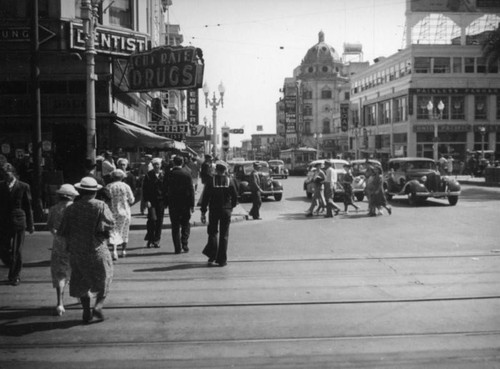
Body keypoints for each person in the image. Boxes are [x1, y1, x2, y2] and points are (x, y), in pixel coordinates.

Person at [58, 177, 114, 323]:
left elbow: (62, 230)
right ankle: (98, 306)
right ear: (95, 192)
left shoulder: (71, 208)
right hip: (97, 248)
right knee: (104, 277)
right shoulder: (101, 206)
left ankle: (86, 310)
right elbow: (110, 224)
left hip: (77, 250)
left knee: (81, 280)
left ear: (80, 191)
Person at [46, 183, 79, 316]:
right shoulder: (76, 208)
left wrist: (58, 236)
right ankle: (80, 297)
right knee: (77, 270)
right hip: (75, 243)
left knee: (60, 273)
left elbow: (50, 226)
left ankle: (60, 303)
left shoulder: (53, 209)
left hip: (59, 243)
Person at [0, 163, 34, 286]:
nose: (5, 177)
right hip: (3, 222)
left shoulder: (23, 186)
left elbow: (28, 206)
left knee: (17, 250)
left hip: (19, 221)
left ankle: (15, 275)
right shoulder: (1, 186)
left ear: (13, 173)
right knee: (3, 249)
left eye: (7, 174)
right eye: (3, 174)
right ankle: (12, 265)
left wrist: (31, 224)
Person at [200, 162, 238, 267]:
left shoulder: (210, 181)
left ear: (216, 170)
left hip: (214, 210)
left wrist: (203, 211)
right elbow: (235, 196)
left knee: (212, 233)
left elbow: (205, 198)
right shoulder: (230, 181)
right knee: (224, 235)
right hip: (226, 210)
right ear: (225, 170)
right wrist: (231, 207)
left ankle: (212, 256)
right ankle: (222, 260)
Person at [104, 169, 135, 260]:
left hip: (112, 211)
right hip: (124, 211)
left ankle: (114, 251)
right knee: (124, 230)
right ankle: (123, 250)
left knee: (114, 231)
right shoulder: (125, 186)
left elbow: (105, 199)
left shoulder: (108, 186)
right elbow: (131, 199)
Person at [167, 156, 195, 254]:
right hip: (185, 204)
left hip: (173, 204)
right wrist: (192, 204)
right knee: (185, 224)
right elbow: (191, 190)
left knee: (175, 226)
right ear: (182, 163)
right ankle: (185, 244)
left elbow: (165, 189)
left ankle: (177, 248)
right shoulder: (187, 174)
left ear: (174, 163)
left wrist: (166, 202)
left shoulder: (169, 174)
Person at [142, 157, 168, 248]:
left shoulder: (164, 175)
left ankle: (157, 240)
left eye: (158, 164)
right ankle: (150, 237)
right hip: (151, 201)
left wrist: (166, 201)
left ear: (160, 165)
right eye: (155, 165)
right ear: (152, 166)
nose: (156, 166)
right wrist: (146, 200)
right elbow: (145, 189)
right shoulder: (149, 175)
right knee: (152, 220)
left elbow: (166, 189)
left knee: (159, 221)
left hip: (161, 201)